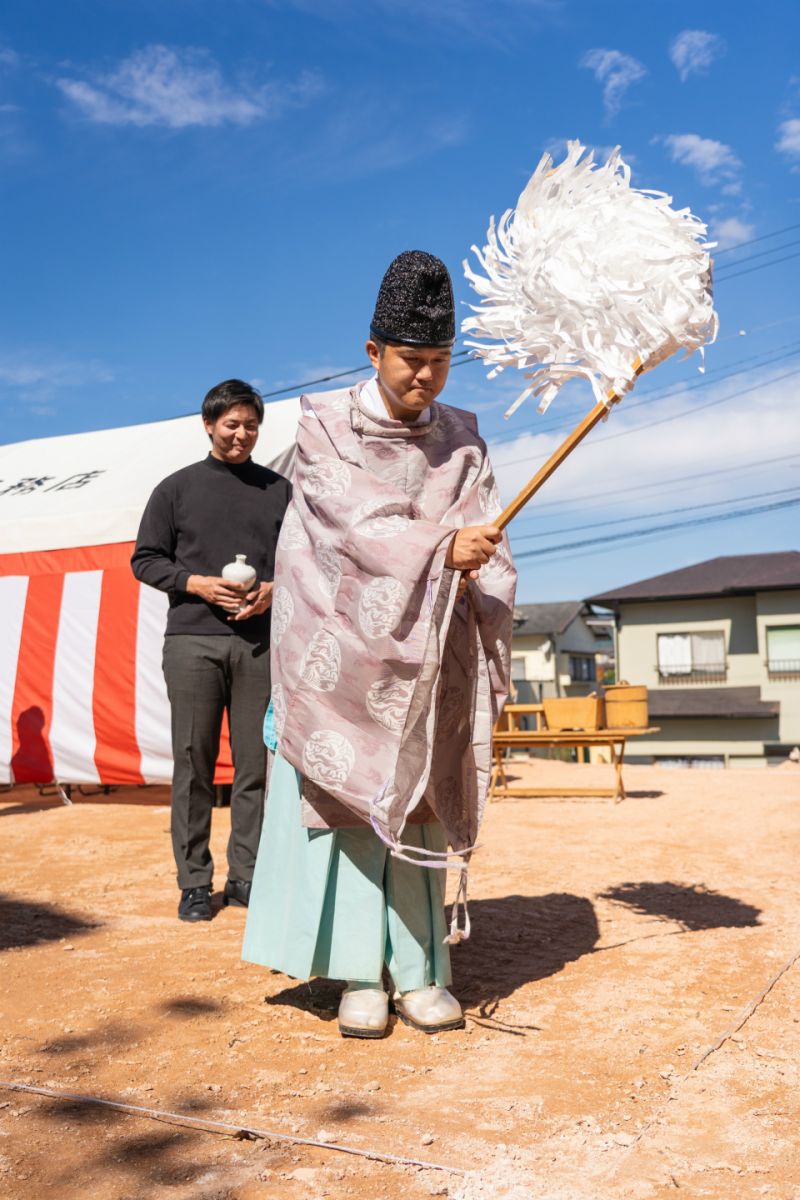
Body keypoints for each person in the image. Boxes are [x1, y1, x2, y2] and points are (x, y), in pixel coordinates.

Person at [242, 251, 516, 1037]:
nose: (425, 377)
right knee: (350, 802)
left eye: (438, 361)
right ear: (374, 352)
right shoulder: (325, 427)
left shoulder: (464, 436)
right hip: (340, 651)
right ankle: (359, 970)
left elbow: (486, 533)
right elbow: (347, 524)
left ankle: (421, 969)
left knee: (420, 795)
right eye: (410, 359)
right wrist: (440, 550)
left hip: (430, 650)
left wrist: (477, 564)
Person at [132, 380, 292, 922]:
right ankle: (194, 882)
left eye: (250, 425)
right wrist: (194, 583)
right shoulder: (175, 489)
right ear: (208, 425)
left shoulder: (280, 491)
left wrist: (274, 589)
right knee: (193, 764)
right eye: (231, 424)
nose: (242, 434)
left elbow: (305, 561)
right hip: (192, 640)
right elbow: (145, 560)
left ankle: (246, 876)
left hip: (258, 644)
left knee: (255, 766)